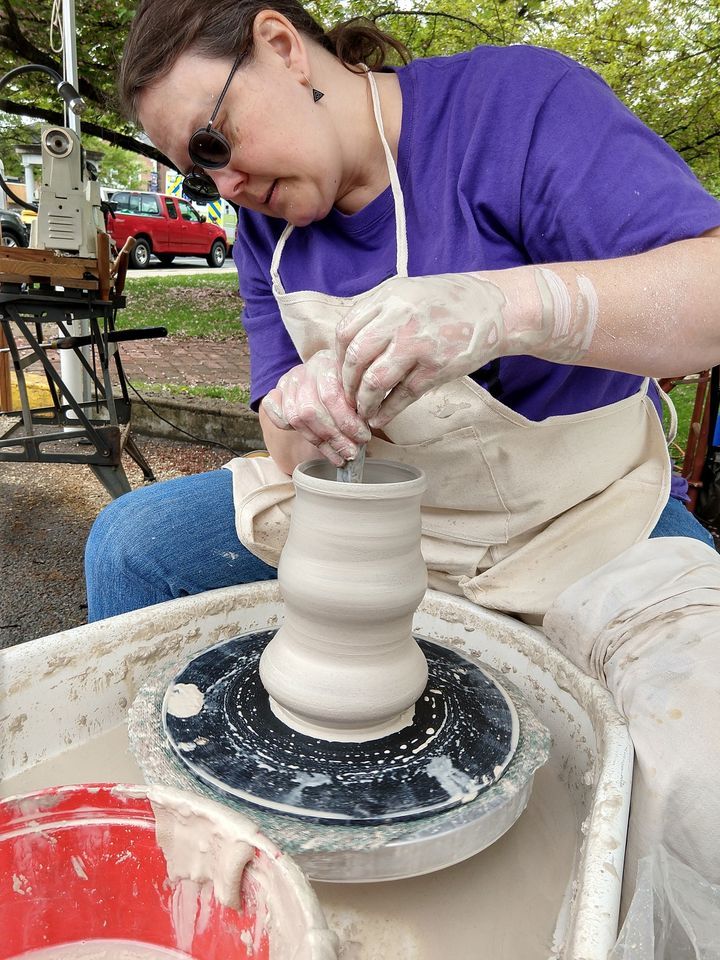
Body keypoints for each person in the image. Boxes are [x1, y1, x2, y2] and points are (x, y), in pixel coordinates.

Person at [87, 0, 720, 906]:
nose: (221, 187)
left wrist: (509, 306)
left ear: (278, 45)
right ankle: (197, 866)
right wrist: (304, 410)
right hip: (397, 528)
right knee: (132, 545)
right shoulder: (267, 228)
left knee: (699, 767)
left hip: (584, 518)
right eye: (197, 174)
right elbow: (283, 442)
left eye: (214, 143)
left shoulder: (513, 108)